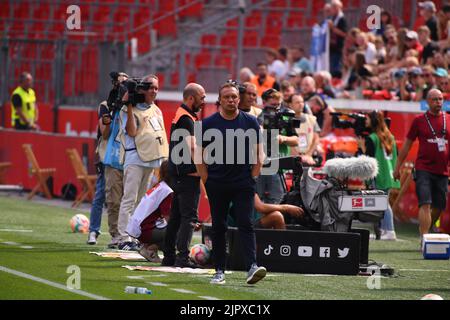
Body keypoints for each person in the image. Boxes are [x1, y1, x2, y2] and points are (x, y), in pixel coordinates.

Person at [196, 82, 266, 285]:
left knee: (246, 224)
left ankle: (252, 266)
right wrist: (206, 180)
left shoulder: (251, 121)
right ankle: (219, 270)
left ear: (238, 98)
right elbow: (198, 157)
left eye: (234, 97)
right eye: (227, 97)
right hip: (217, 183)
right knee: (219, 226)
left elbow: (259, 154)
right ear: (220, 100)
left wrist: (252, 176)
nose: (231, 100)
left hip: (243, 183)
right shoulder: (207, 124)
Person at [117, 74, 169, 250]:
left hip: (152, 160)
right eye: (150, 87)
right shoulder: (127, 109)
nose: (154, 91)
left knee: (142, 201)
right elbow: (131, 132)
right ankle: (124, 237)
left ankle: (135, 235)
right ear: (142, 90)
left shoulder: (156, 109)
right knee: (129, 198)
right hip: (135, 158)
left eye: (156, 87)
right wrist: (129, 106)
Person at [393, 89, 450, 244]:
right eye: (435, 99)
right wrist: (397, 167)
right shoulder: (419, 120)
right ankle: (424, 238)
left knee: (439, 205)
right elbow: (406, 146)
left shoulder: (449, 119)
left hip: (443, 170)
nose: (438, 102)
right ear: (427, 102)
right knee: (425, 202)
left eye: (440, 99)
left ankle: (429, 229)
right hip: (423, 168)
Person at [162, 83, 206, 268]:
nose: (203, 101)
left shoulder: (181, 115)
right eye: (201, 97)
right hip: (187, 174)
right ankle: (182, 258)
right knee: (189, 218)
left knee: (176, 217)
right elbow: (193, 147)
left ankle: (169, 257)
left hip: (177, 174)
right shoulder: (186, 118)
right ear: (191, 98)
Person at [357, 111, 400, 240]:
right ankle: (384, 230)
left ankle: (389, 230)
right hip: (390, 174)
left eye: (368, 119)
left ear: (374, 121)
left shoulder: (373, 138)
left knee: (383, 203)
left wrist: (361, 147)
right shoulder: (390, 137)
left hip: (380, 175)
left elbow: (369, 160)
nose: (366, 121)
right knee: (384, 202)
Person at [256, 89, 298, 204]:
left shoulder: (285, 117)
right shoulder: (260, 117)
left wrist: (283, 138)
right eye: (272, 105)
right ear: (264, 103)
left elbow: (295, 140)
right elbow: (258, 133)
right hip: (261, 165)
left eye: (278, 105)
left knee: (278, 200)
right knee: (258, 201)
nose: (276, 109)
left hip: (280, 166)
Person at [101, 72, 129, 248]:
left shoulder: (136, 106)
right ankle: (115, 235)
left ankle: (128, 234)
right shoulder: (107, 105)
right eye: (120, 84)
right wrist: (109, 119)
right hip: (113, 157)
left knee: (130, 201)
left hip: (131, 159)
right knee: (113, 200)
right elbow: (104, 135)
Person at [126, 160, 173, 263]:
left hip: (139, 228)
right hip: (145, 229)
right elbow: (169, 219)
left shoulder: (160, 186)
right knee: (177, 231)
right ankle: (150, 248)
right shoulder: (167, 191)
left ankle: (147, 246)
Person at [86, 99, 109, 245]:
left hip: (125, 158)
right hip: (107, 157)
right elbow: (104, 133)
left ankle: (123, 235)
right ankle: (93, 231)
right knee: (100, 194)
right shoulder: (105, 106)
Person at [228, 193, 303, 230]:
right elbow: (261, 207)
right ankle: (283, 252)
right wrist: (286, 207)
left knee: (273, 216)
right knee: (276, 217)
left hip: (237, 226)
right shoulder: (242, 182)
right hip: (237, 230)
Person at [289, 94, 320, 166]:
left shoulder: (312, 119)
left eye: (302, 102)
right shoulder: (287, 120)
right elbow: (287, 141)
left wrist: (308, 155)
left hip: (309, 157)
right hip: (292, 158)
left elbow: (316, 139)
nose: (300, 104)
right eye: (297, 102)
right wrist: (298, 157)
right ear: (290, 105)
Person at [327, 0, 348, 76]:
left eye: (332, 7)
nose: (331, 10)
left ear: (337, 8)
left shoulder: (342, 19)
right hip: (331, 48)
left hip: (337, 49)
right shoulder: (332, 18)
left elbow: (344, 34)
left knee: (335, 70)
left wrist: (333, 28)